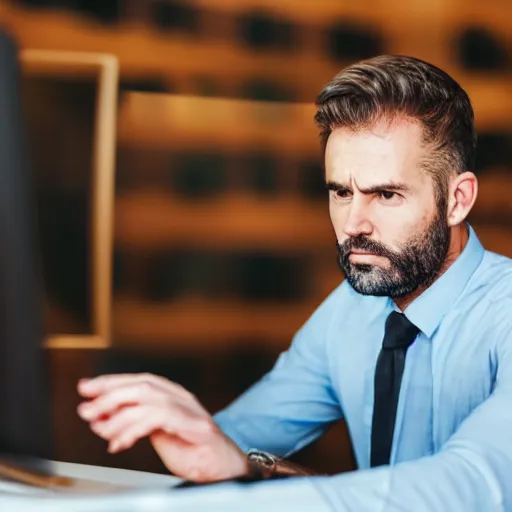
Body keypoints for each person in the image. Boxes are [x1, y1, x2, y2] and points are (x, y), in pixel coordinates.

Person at [77, 55, 512, 510]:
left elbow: (474, 486)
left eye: (386, 194)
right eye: (341, 192)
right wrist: (216, 446)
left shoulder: (503, 314)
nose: (353, 224)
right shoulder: (350, 311)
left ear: (457, 200)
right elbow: (239, 440)